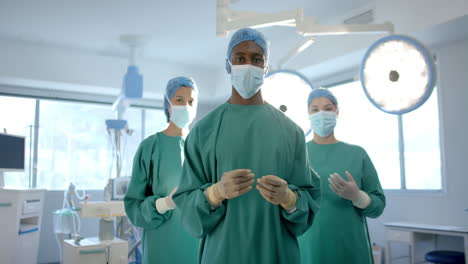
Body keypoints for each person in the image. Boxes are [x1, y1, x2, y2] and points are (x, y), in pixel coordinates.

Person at [173, 28, 319, 264]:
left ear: (266, 67)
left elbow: (309, 205)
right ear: (228, 65)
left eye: (256, 59)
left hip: (277, 253)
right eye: (240, 58)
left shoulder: (291, 132)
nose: (248, 64)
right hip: (223, 254)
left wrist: (290, 199)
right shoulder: (203, 131)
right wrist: (214, 193)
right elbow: (188, 212)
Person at [299, 88, 386, 264]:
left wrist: (358, 197)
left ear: (337, 111)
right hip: (309, 246)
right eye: (315, 109)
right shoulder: (298, 154)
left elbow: (378, 206)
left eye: (328, 108)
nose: (321, 114)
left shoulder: (357, 154)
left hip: (351, 247)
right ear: (308, 113)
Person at [124, 76, 199, 264]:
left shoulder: (201, 148)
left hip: (197, 247)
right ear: (168, 104)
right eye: (179, 100)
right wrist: (164, 204)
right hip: (162, 246)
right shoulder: (150, 147)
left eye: (191, 101)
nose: (186, 106)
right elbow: (133, 206)